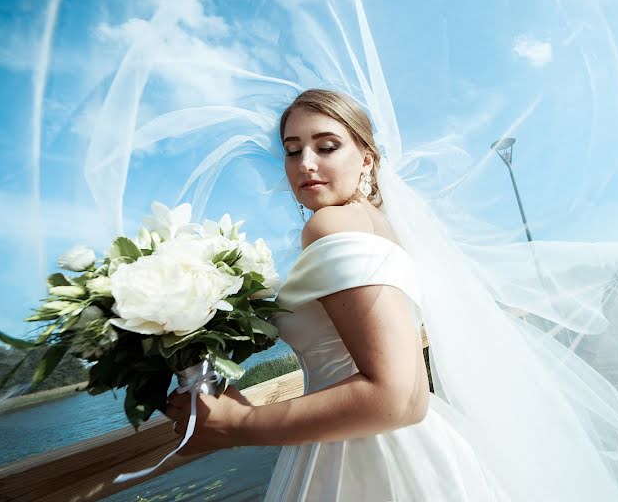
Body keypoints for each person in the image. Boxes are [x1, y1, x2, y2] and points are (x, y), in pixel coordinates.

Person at [165, 89, 505, 500]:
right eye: (292, 151)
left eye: (326, 146)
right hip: (418, 449)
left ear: (366, 159)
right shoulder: (380, 227)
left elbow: (398, 399)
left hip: (361, 458)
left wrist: (238, 424)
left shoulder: (329, 225)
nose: (305, 164)